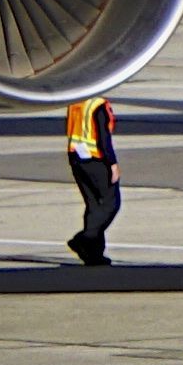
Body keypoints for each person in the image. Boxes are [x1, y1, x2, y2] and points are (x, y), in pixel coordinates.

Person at [61, 97, 120, 268]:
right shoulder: (98, 105)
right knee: (110, 203)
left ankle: (93, 254)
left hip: (76, 157)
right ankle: (84, 239)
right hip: (95, 158)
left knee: (93, 205)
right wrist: (112, 163)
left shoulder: (75, 102)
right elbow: (103, 136)